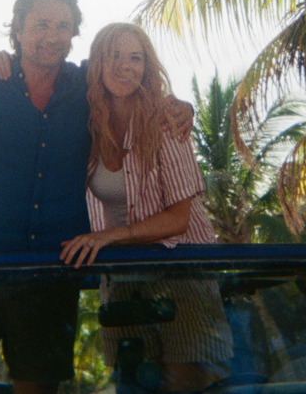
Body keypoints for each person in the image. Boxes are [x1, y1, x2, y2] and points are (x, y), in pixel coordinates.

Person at [0, 0, 192, 394]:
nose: (51, 36)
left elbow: (135, 83)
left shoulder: (89, 86)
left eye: (63, 26)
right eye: (41, 24)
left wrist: (182, 107)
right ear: (17, 29)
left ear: (74, 35)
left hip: (52, 275)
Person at [59, 23, 233, 392]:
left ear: (147, 65)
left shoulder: (166, 119)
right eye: (115, 56)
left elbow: (179, 219)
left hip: (183, 272)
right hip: (123, 277)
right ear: (97, 65)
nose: (126, 66)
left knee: (184, 385)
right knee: (133, 385)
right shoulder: (86, 124)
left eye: (136, 57)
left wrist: (108, 237)